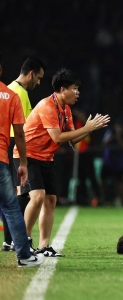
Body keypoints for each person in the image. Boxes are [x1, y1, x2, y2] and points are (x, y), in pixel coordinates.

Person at [13, 68, 110, 257]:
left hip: (46, 157)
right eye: (75, 88)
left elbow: (72, 140)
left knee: (50, 199)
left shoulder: (65, 109)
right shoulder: (47, 106)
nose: (78, 92)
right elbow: (58, 138)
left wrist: (90, 129)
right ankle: (23, 241)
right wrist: (88, 127)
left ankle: (44, 246)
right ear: (63, 89)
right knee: (38, 196)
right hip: (28, 155)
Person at [0, 54, 45, 267]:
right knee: (13, 200)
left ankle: (9, 241)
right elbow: (23, 130)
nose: (39, 82)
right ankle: (16, 247)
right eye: (39, 78)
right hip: (8, 147)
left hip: (6, 146)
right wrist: (25, 161)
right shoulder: (16, 95)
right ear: (30, 73)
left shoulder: (11, 88)